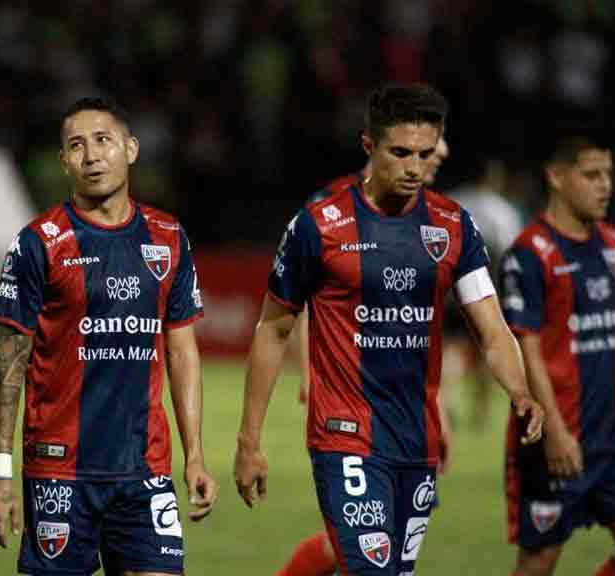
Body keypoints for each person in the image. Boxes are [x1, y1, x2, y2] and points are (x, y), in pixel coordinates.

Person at [233, 83, 544, 575]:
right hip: (344, 434)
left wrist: (521, 391)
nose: (414, 167)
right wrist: (249, 442)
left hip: (415, 436)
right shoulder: (319, 225)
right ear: (368, 147)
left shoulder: (452, 226)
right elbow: (272, 329)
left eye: (425, 154)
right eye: (400, 152)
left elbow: (490, 328)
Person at [0, 96, 218, 575]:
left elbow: (182, 351)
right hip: (59, 472)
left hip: (144, 470)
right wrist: (0, 472)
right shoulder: (38, 243)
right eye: (76, 145)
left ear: (130, 149)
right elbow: (10, 362)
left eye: (103, 140)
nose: (91, 155)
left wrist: (195, 457)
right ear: (64, 160)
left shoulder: (168, 236)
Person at [500, 136, 615, 576]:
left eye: (608, 174)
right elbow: (525, 347)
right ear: (556, 177)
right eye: (591, 175)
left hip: (613, 437)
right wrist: (553, 430)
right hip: (554, 436)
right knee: (539, 562)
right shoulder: (529, 255)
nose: (605, 186)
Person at [443, 155, 525, 434]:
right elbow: (510, 256)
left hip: (449, 290)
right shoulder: (503, 212)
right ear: (494, 179)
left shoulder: (451, 202)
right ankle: (481, 414)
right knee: (487, 347)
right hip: (485, 288)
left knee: (451, 347)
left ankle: (447, 401)